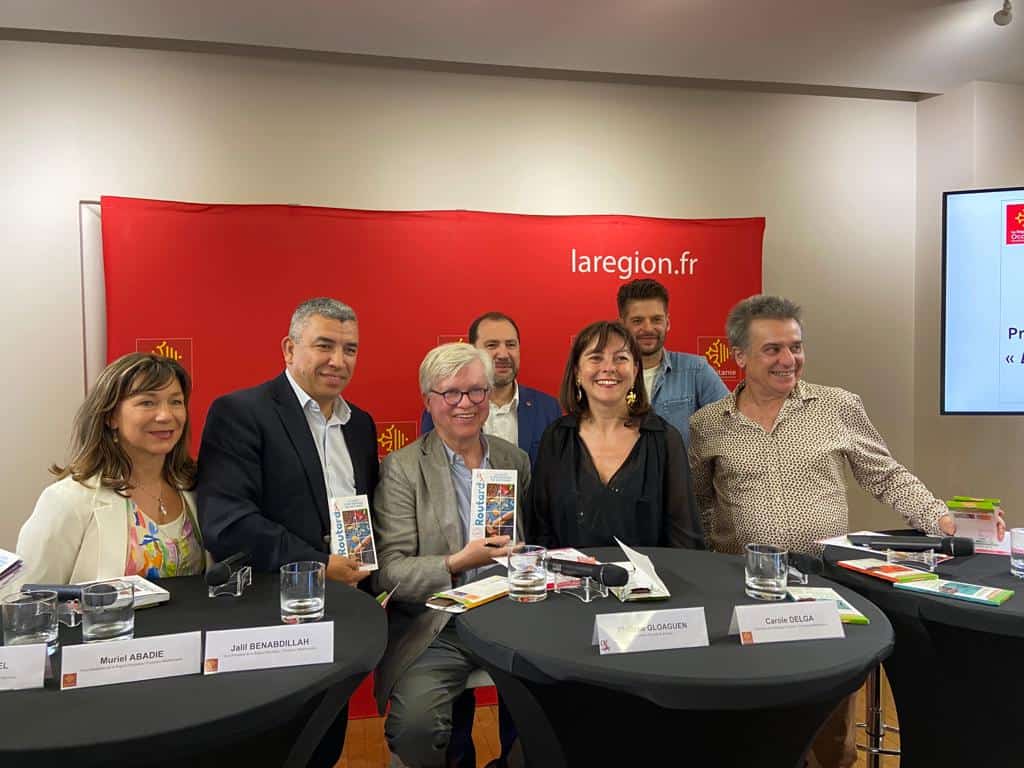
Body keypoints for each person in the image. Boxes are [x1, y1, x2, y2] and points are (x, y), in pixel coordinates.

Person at [688, 294, 1006, 768]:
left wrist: (943, 520)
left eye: (795, 346)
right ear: (739, 356)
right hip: (745, 588)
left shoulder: (837, 406)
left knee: (831, 729)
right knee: (754, 721)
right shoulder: (708, 423)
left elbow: (887, 476)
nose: (788, 359)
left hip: (825, 585)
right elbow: (699, 502)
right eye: (772, 349)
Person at [197, 297, 379, 767]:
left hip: (344, 610)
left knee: (325, 741)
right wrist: (319, 566)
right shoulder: (241, 412)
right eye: (324, 345)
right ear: (289, 348)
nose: (338, 360)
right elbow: (227, 521)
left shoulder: (360, 424)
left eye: (350, 349)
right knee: (272, 748)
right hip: (268, 617)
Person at [372, 343, 531, 768]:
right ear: (428, 400)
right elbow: (389, 572)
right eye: (451, 393)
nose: (466, 403)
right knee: (415, 729)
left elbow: (535, 541)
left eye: (477, 391)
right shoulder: (402, 468)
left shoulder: (514, 460)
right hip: (438, 625)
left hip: (512, 617)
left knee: (563, 706)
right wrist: (458, 562)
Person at [10, 353, 203, 592]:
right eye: (147, 402)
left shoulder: (195, 487)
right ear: (111, 416)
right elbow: (25, 598)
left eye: (176, 402)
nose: (166, 415)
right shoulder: (69, 499)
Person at [526, 320, 702, 550]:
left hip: (653, 575)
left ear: (635, 371)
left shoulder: (664, 439)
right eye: (596, 358)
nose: (609, 367)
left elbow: (684, 539)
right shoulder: (556, 437)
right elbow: (539, 532)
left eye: (621, 358)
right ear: (577, 371)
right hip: (569, 574)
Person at [421, 312, 560, 466]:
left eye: (511, 345)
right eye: (492, 345)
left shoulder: (547, 407)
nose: (503, 354)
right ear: (473, 350)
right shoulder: (446, 408)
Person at [617, 279, 728, 449]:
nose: (648, 328)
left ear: (667, 323)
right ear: (622, 325)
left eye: (656, 320)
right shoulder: (606, 376)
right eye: (637, 321)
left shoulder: (696, 370)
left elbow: (732, 428)